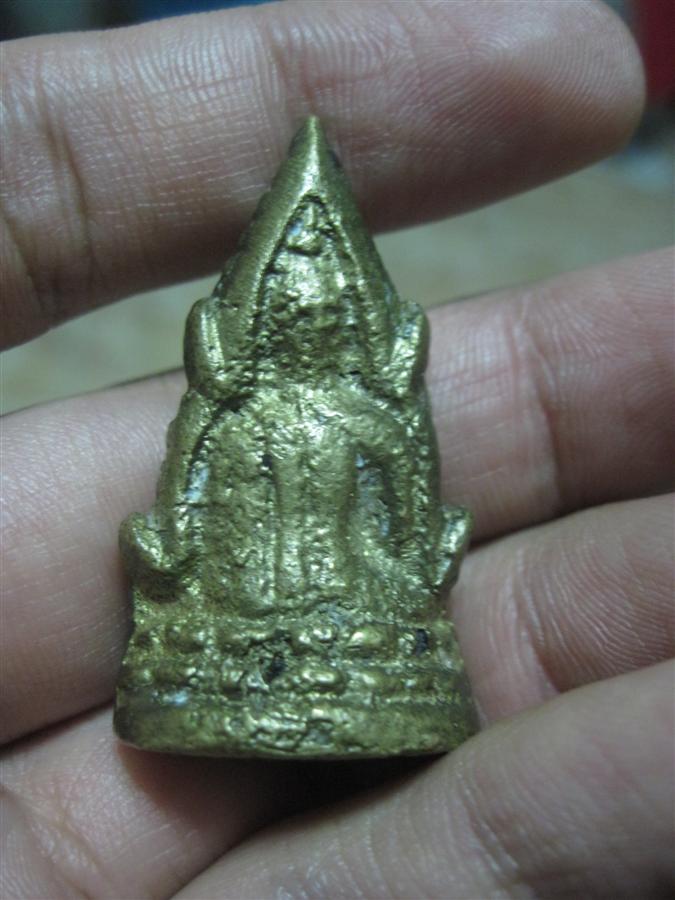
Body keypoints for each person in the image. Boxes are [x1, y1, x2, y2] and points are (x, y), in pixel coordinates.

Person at [1, 1, 672, 897]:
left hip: (358, 603)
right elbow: (186, 497)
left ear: (349, 321)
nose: (311, 320)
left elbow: (408, 508)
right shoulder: (232, 413)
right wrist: (176, 549)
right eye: (294, 311)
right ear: (266, 322)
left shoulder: (369, 415)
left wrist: (412, 562)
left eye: (326, 313)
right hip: (231, 604)